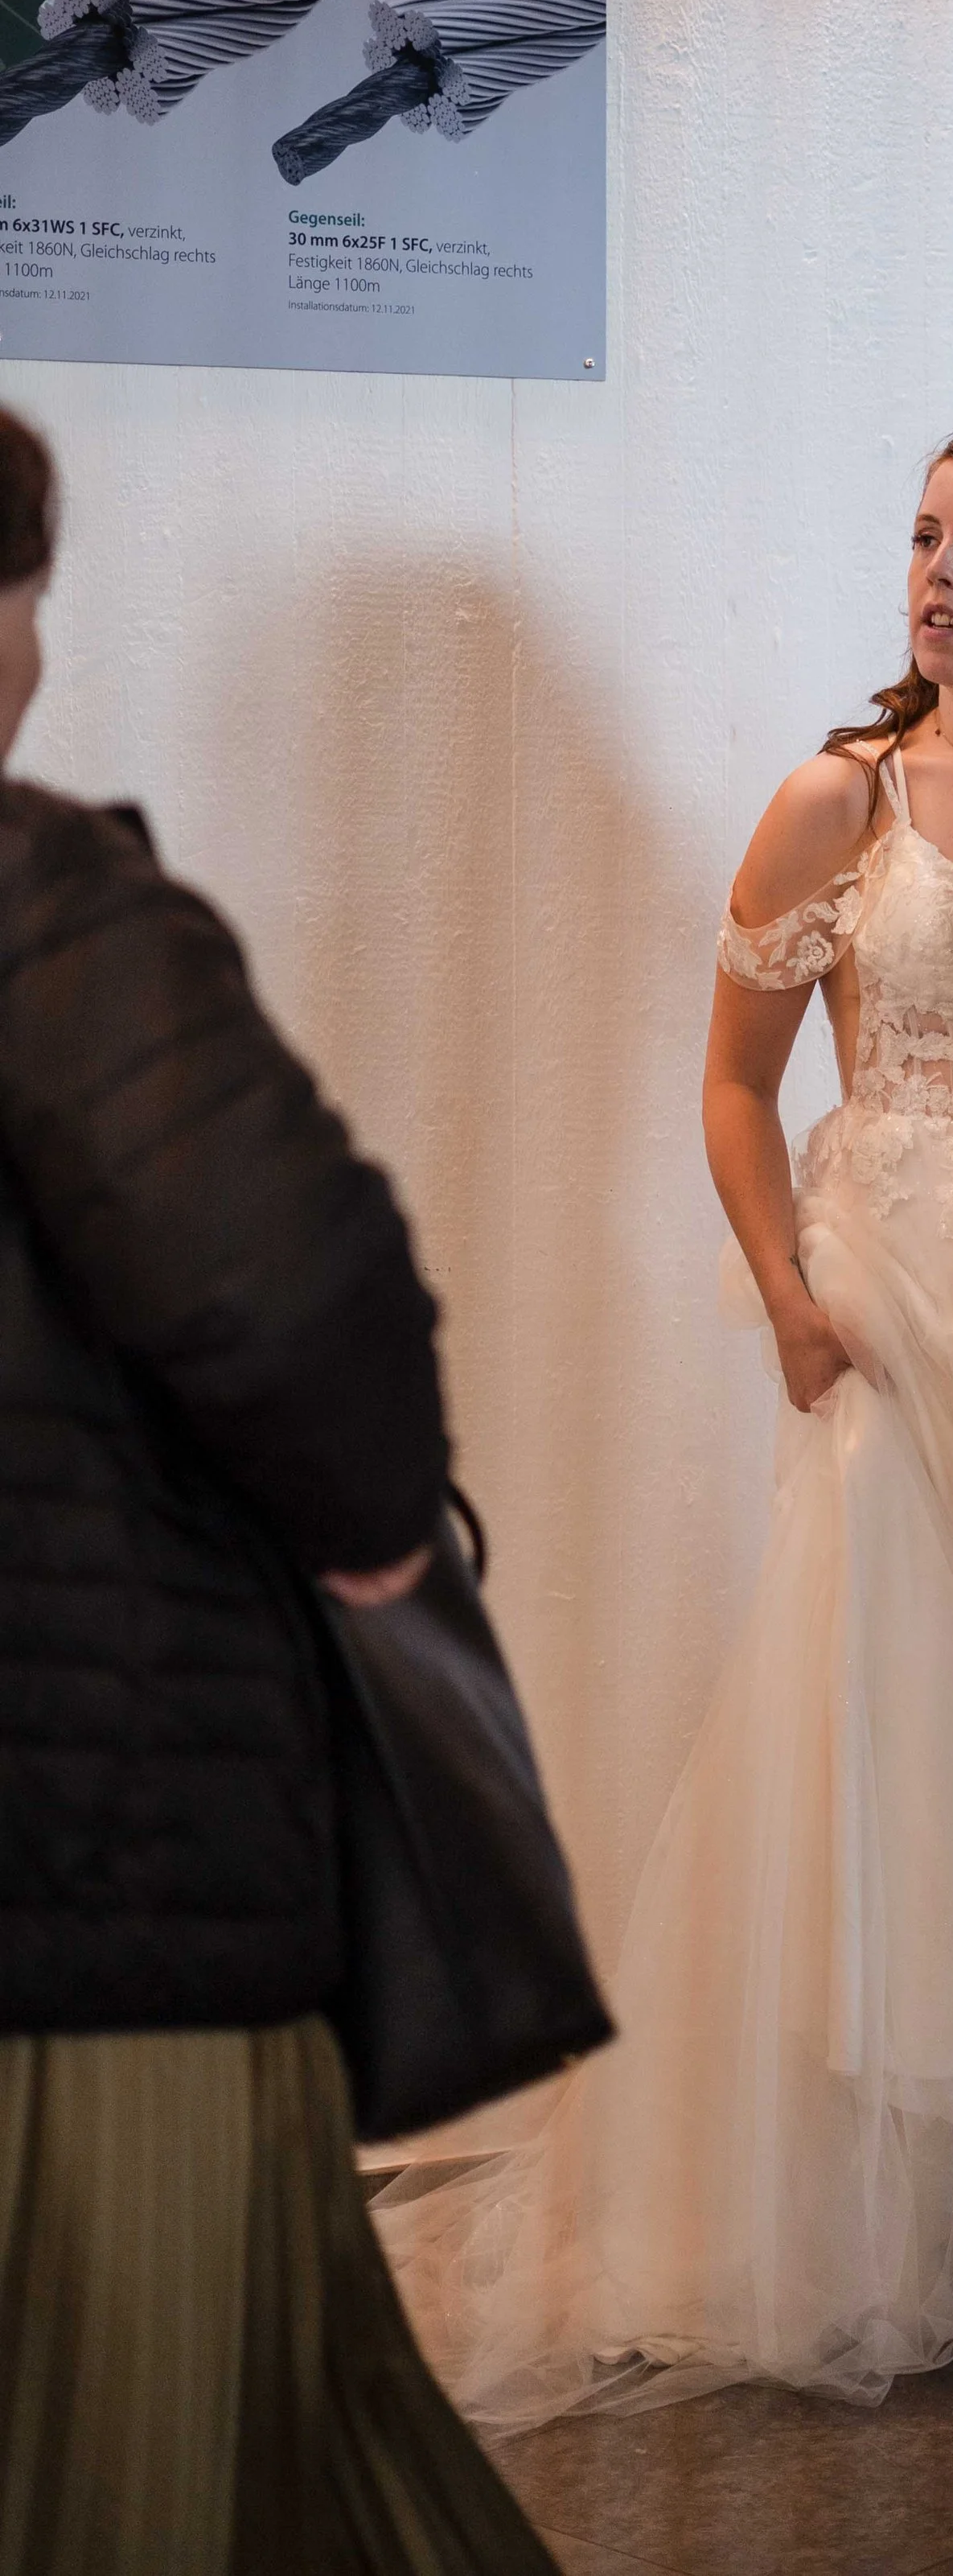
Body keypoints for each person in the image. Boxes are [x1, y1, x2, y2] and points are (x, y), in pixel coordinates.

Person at [375, 422, 953, 2422]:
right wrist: (789, 1304)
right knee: (893, 1726)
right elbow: (733, 1083)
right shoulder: (841, 798)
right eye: (919, 538)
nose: (933, 576)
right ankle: (874, 2184)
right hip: (900, 1313)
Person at [0, 407, 559, 2576]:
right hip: (94, 1856)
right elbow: (290, 1284)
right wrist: (385, 1537)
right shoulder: (47, 901)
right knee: (184, 2429)